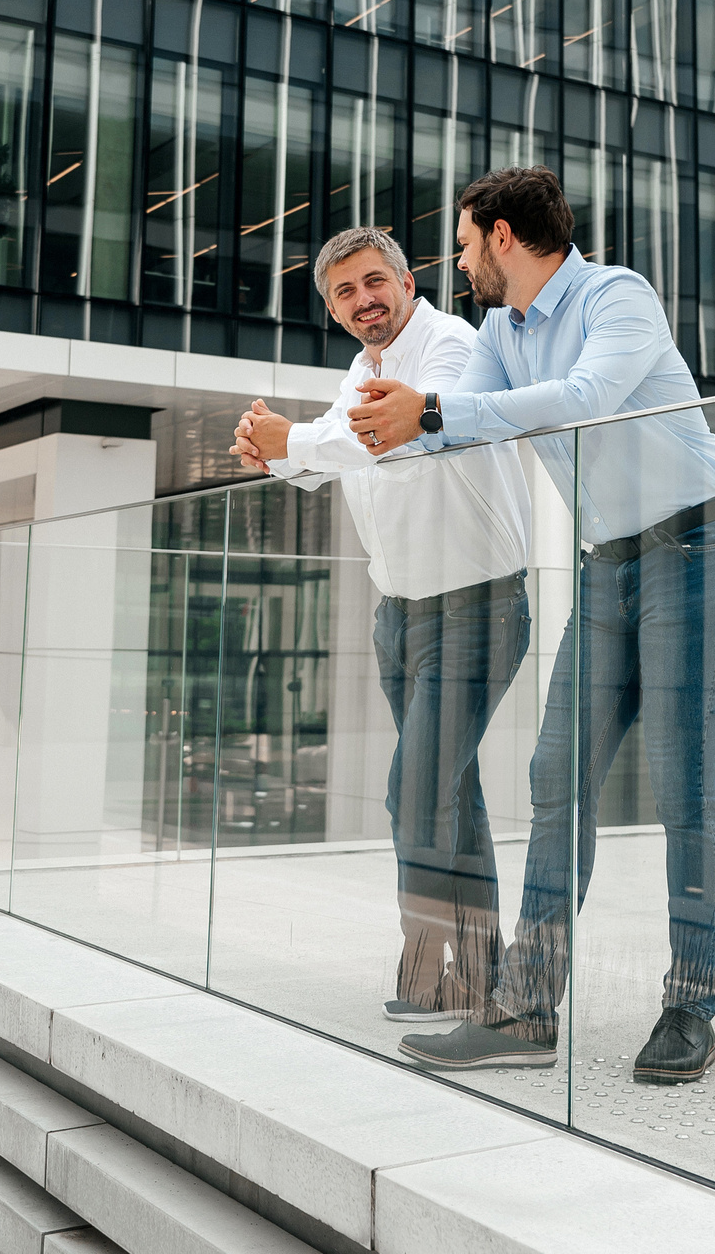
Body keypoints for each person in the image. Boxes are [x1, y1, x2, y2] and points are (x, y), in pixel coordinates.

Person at [346, 168, 715, 1086]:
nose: (457, 265)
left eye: (461, 244)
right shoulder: (499, 331)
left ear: (501, 237)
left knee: (680, 784)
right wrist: (355, 430)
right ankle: (528, 1010)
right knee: (555, 774)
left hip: (702, 547)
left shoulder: (617, 295)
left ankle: (690, 1004)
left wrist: (438, 411)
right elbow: (461, 428)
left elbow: (583, 399)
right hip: (608, 566)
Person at [233, 226, 532, 1025]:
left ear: (406, 280)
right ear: (332, 309)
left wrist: (294, 442)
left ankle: (427, 960)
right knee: (449, 794)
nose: (363, 301)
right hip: (401, 613)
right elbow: (334, 457)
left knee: (416, 791)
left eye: (374, 282)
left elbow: (382, 437)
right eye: (344, 292)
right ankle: (474, 972)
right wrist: (273, 451)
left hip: (476, 603)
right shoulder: (358, 371)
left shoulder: (452, 345)